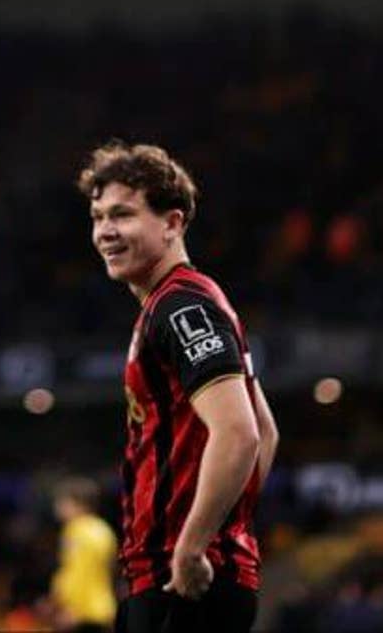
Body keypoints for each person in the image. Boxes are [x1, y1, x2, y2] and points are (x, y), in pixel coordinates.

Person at [79, 141, 277, 633]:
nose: (105, 231)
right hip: (180, 574)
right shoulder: (179, 303)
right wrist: (224, 531)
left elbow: (240, 434)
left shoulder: (182, 307)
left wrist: (195, 545)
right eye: (98, 216)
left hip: (184, 578)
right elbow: (265, 432)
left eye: (123, 215)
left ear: (172, 223)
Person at [48, 478, 117, 633]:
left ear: (75, 503)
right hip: (104, 608)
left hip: (81, 613)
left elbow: (77, 572)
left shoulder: (75, 531)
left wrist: (70, 608)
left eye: (61, 502)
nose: (57, 507)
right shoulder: (104, 530)